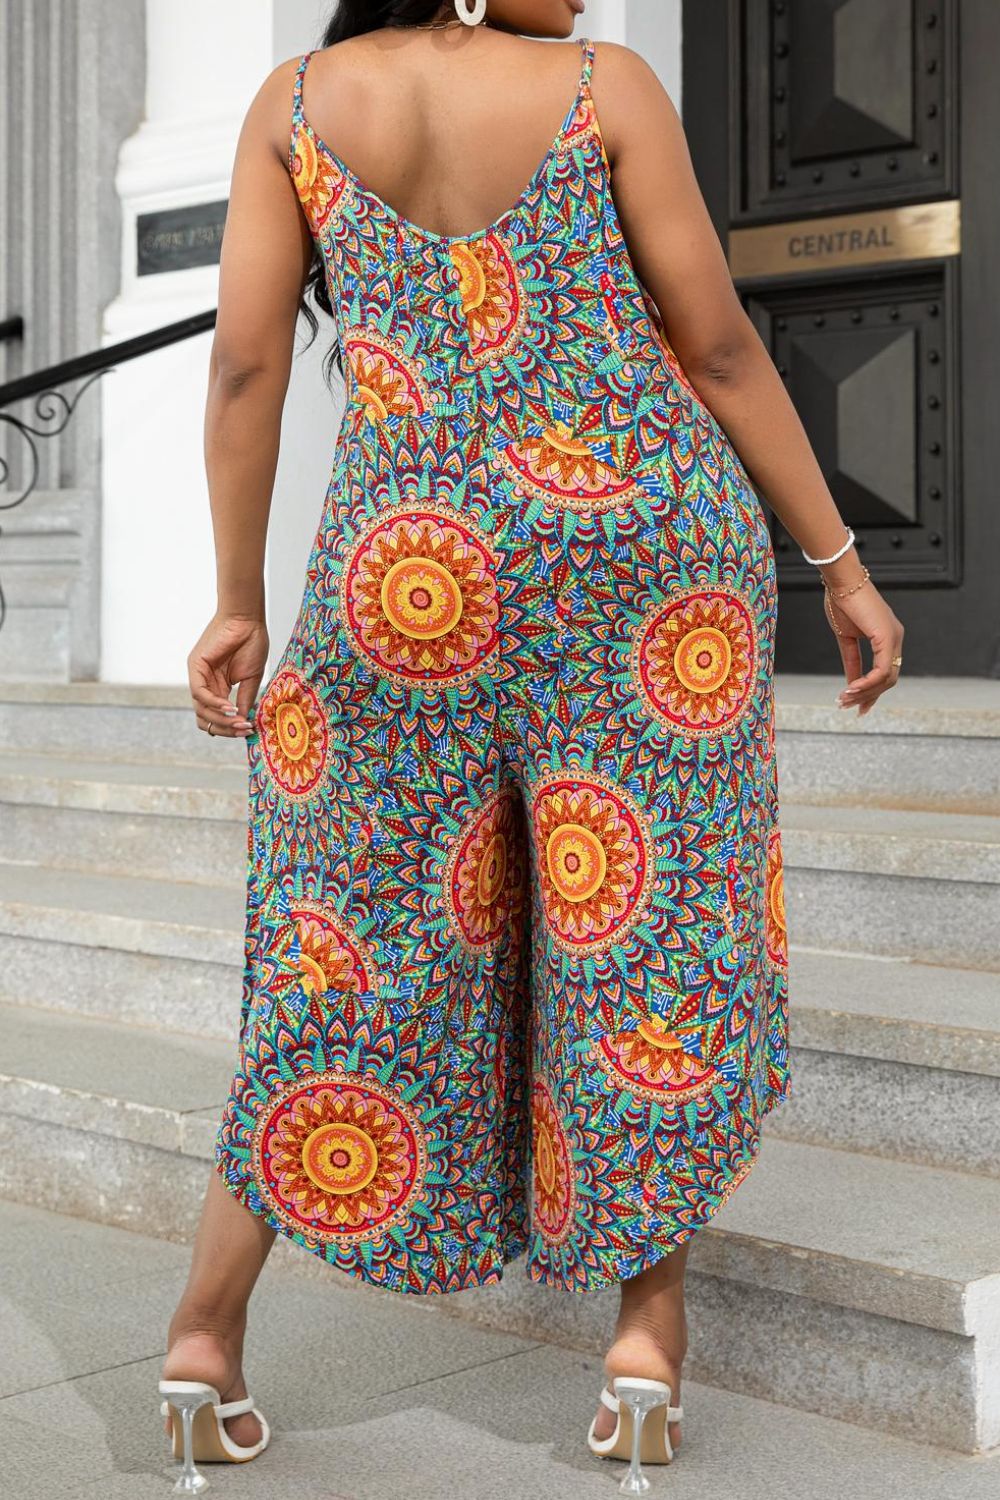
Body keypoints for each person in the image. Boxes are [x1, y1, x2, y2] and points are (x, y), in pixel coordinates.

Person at [159, 0, 904, 1487]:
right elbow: (718, 346)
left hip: (407, 565)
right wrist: (837, 559)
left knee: (348, 944)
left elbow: (245, 367)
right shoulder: (601, 85)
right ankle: (642, 1351)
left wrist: (239, 600)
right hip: (637, 553)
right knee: (647, 929)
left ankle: (202, 1339)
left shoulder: (295, 105)